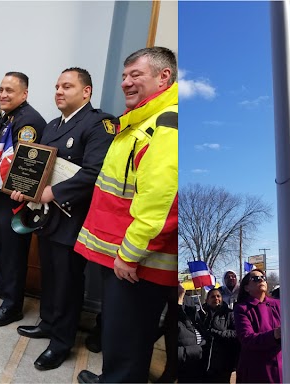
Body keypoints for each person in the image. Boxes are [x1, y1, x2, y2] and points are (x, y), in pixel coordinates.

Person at [75, 47, 178, 384]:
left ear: (164, 77)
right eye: (124, 76)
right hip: (121, 255)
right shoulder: (143, 118)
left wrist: (129, 255)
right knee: (122, 337)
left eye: (136, 75)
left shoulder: (166, 124)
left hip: (136, 263)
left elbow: (160, 204)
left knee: (129, 338)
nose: (125, 83)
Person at [12, 67, 114, 370]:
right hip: (47, 218)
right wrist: (24, 188)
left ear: (86, 92)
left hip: (73, 217)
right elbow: (38, 165)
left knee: (67, 282)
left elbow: (94, 172)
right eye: (57, 86)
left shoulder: (99, 124)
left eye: (67, 86)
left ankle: (61, 343)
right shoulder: (53, 124)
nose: (59, 91)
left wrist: (52, 192)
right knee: (52, 277)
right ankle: (49, 322)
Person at [0, 72, 46, 327]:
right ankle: (3, 285)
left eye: (10, 90)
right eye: (1, 89)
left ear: (24, 94)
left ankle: (12, 305)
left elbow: (21, 161)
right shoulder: (8, 117)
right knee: (2, 246)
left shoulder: (28, 122)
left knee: (14, 252)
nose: (3, 95)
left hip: (14, 199)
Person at [233, 269, 282, 383]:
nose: (261, 280)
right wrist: (274, 335)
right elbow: (247, 339)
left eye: (263, 278)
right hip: (257, 370)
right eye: (255, 279)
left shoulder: (279, 304)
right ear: (246, 288)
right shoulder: (242, 309)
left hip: (282, 368)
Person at [197, 287, 239, 383]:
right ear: (207, 300)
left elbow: (236, 333)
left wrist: (217, 333)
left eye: (218, 296)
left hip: (223, 362)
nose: (216, 298)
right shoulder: (200, 314)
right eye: (212, 296)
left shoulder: (229, 314)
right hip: (203, 361)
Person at [177, 284, 203, 383]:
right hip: (184, 361)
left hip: (196, 362)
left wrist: (204, 343)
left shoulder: (188, 300)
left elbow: (198, 324)